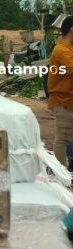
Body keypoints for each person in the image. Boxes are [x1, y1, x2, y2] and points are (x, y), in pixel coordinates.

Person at [47, 15, 73, 170]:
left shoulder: (68, 48)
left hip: (68, 101)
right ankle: (60, 170)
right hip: (63, 102)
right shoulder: (62, 50)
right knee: (63, 138)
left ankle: (65, 168)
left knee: (68, 137)